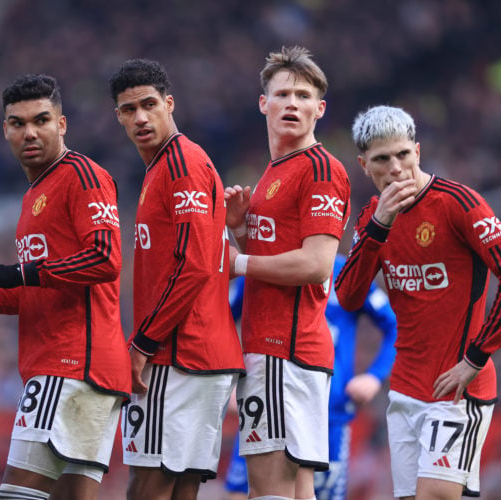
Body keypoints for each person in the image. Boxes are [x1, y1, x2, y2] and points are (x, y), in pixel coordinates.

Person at [334, 105, 501, 500]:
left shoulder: (459, 203)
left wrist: (475, 358)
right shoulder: (370, 221)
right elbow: (348, 296)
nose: (395, 167)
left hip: (459, 388)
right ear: (364, 165)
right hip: (406, 389)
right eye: (382, 159)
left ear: (418, 151)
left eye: (403, 154)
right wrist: (379, 226)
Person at [0, 74, 130, 500]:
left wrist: (16, 273)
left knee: (16, 495)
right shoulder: (33, 195)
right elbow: (39, 287)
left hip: (72, 364)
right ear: (5, 130)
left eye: (41, 120)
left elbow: (105, 258)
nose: (30, 132)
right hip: (77, 369)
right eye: (18, 123)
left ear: (62, 124)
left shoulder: (82, 176)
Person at [109, 58, 245, 500]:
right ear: (118, 117)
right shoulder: (161, 168)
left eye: (149, 105)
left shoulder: (181, 163)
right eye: (129, 110)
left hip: (179, 353)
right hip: (200, 354)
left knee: (146, 485)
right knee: (181, 487)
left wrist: (142, 344)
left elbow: (194, 265)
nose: (141, 118)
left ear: (170, 104)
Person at [224, 45, 351, 500]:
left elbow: (317, 265)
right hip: (286, 353)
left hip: (284, 351)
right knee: (297, 492)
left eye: (303, 95)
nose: (292, 103)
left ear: (319, 109)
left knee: (269, 492)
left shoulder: (319, 168)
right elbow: (274, 264)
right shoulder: (274, 173)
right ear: (264, 103)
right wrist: (241, 232)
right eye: (282, 94)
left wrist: (236, 263)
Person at [224, 254, 398, 500]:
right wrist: (228, 382)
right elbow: (221, 319)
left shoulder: (345, 272)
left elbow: (393, 326)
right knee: (244, 494)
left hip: (327, 413)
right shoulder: (263, 264)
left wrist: (374, 376)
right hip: (264, 403)